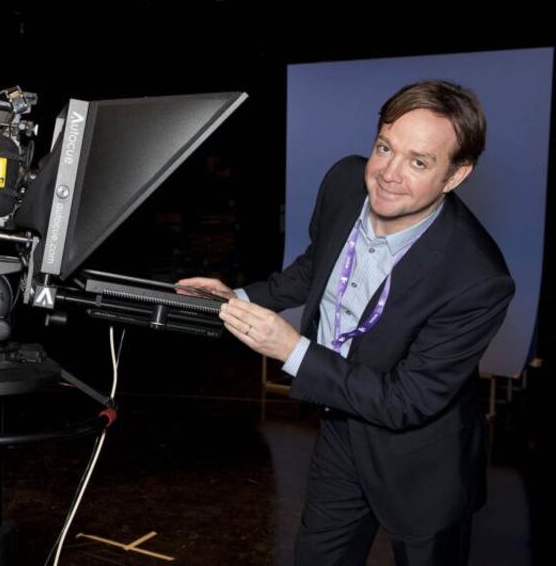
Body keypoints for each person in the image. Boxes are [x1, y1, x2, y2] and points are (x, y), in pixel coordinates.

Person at [180, 80, 514, 565]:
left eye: (419, 162)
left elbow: (405, 402)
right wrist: (241, 296)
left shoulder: (478, 279)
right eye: (384, 147)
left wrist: (292, 350)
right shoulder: (344, 182)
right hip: (340, 430)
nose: (388, 174)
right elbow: (317, 267)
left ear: (455, 175)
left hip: (422, 465)